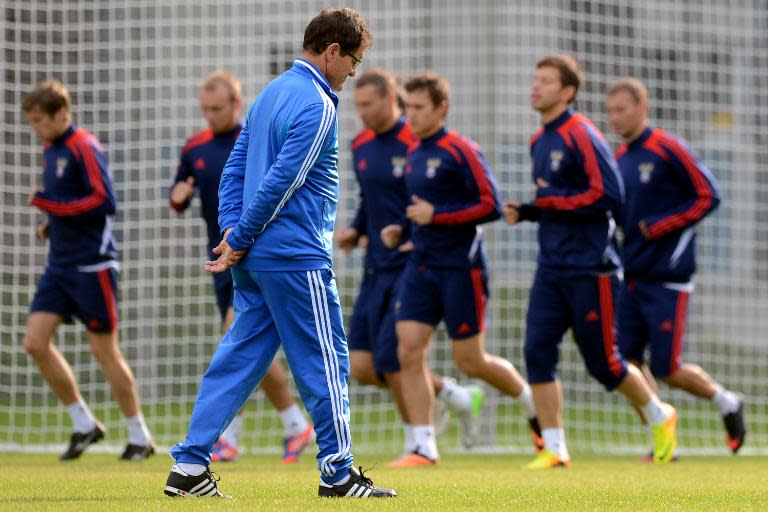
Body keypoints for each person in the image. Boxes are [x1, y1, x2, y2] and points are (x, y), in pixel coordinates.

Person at [164, 8, 395, 498]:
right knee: (326, 360)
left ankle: (188, 467)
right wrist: (240, 236)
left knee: (239, 356)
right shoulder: (318, 102)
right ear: (332, 51)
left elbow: (234, 172)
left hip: (254, 261)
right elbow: (281, 183)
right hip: (296, 257)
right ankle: (339, 472)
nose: (353, 71)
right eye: (353, 60)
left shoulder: (270, 92)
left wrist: (232, 232)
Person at [503, 55, 678, 469]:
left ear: (567, 92)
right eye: (535, 79)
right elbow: (559, 200)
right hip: (551, 266)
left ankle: (660, 413)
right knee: (536, 352)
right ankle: (555, 448)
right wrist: (529, 211)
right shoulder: (538, 141)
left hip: (591, 266)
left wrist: (550, 201)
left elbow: (609, 196)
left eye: (545, 81)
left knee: (605, 364)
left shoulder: (581, 133)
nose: (536, 87)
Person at [381, 72, 542, 468]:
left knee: (471, 361)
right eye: (408, 107)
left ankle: (531, 403)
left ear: (442, 108)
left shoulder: (461, 150)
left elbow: (491, 205)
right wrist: (402, 228)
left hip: (461, 268)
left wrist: (438, 215)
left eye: (419, 108)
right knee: (408, 351)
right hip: (421, 265)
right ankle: (424, 446)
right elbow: (420, 208)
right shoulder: (414, 154)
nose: (411, 115)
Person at [337, 68, 485, 458]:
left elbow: (432, 200)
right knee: (363, 365)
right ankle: (452, 395)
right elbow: (370, 201)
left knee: (395, 359)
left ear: (392, 101)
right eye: (357, 105)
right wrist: (355, 230)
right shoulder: (359, 145)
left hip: (411, 265)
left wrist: (413, 234)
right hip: (374, 265)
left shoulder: (416, 142)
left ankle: (418, 443)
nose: (362, 113)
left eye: (368, 104)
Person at [170, 70, 314, 464]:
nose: (210, 115)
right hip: (220, 256)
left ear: (236, 104)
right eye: (205, 109)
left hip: (256, 254)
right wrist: (178, 195)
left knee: (239, 341)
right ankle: (293, 425)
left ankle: (232, 435)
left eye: (217, 108)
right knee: (246, 345)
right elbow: (179, 192)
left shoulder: (252, 139)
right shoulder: (194, 146)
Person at [605, 76, 746, 456]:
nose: (614, 118)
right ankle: (663, 439)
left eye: (621, 109)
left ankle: (726, 401)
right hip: (630, 275)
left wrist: (663, 226)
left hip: (668, 276)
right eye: (610, 111)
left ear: (642, 108)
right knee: (624, 365)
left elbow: (708, 195)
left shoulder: (669, 148)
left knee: (666, 366)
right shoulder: (619, 159)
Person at [22, 80, 154, 461]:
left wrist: (51, 206)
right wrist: (52, 222)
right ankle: (83, 423)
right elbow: (69, 202)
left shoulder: (85, 146)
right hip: (59, 266)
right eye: (31, 122)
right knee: (34, 342)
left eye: (38, 121)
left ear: (61, 114)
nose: (35, 129)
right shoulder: (52, 148)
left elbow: (104, 200)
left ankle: (139, 435)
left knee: (103, 351)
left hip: (92, 265)